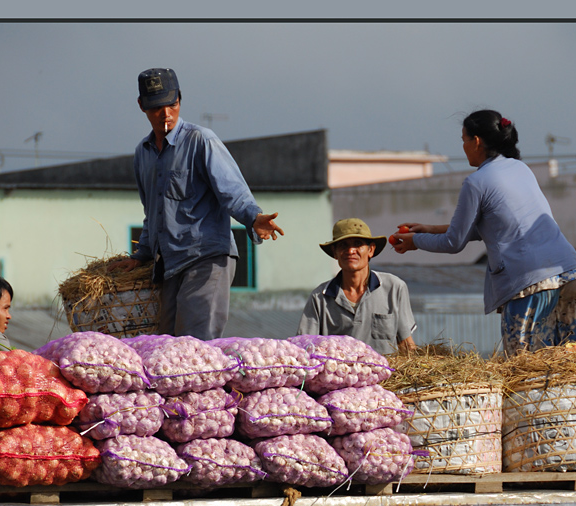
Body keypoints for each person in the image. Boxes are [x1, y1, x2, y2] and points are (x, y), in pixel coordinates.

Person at [390, 109, 576, 356]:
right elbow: (495, 227)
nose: (463, 147)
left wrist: (416, 242)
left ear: (476, 141)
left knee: (527, 368)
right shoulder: (520, 169)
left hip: (531, 282)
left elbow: (454, 241)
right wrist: (429, 229)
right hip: (570, 272)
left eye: (463, 140)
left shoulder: (476, 182)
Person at [111, 68, 284, 340]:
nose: (166, 113)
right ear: (142, 105)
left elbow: (232, 190)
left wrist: (253, 217)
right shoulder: (142, 154)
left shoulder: (201, 140)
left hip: (206, 259)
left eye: (172, 104)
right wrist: (141, 255)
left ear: (180, 99)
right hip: (169, 266)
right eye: (156, 107)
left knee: (195, 349)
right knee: (165, 347)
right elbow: (152, 213)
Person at [298, 218, 418, 355]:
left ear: (370, 250)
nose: (350, 251)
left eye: (357, 244)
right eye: (343, 245)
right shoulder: (320, 297)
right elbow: (305, 348)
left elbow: (406, 344)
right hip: (339, 375)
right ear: (335, 252)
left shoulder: (394, 288)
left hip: (386, 374)